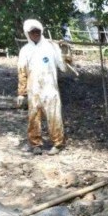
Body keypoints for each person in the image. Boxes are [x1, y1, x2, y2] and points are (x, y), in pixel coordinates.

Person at [17, 19, 67, 155]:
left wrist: (65, 53)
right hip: (33, 89)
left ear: (41, 31)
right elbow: (22, 71)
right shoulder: (25, 50)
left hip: (50, 88)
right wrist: (21, 93)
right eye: (32, 31)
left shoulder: (51, 47)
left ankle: (57, 143)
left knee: (54, 115)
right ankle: (35, 144)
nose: (35, 33)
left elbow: (64, 66)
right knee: (33, 117)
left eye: (37, 31)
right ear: (27, 33)